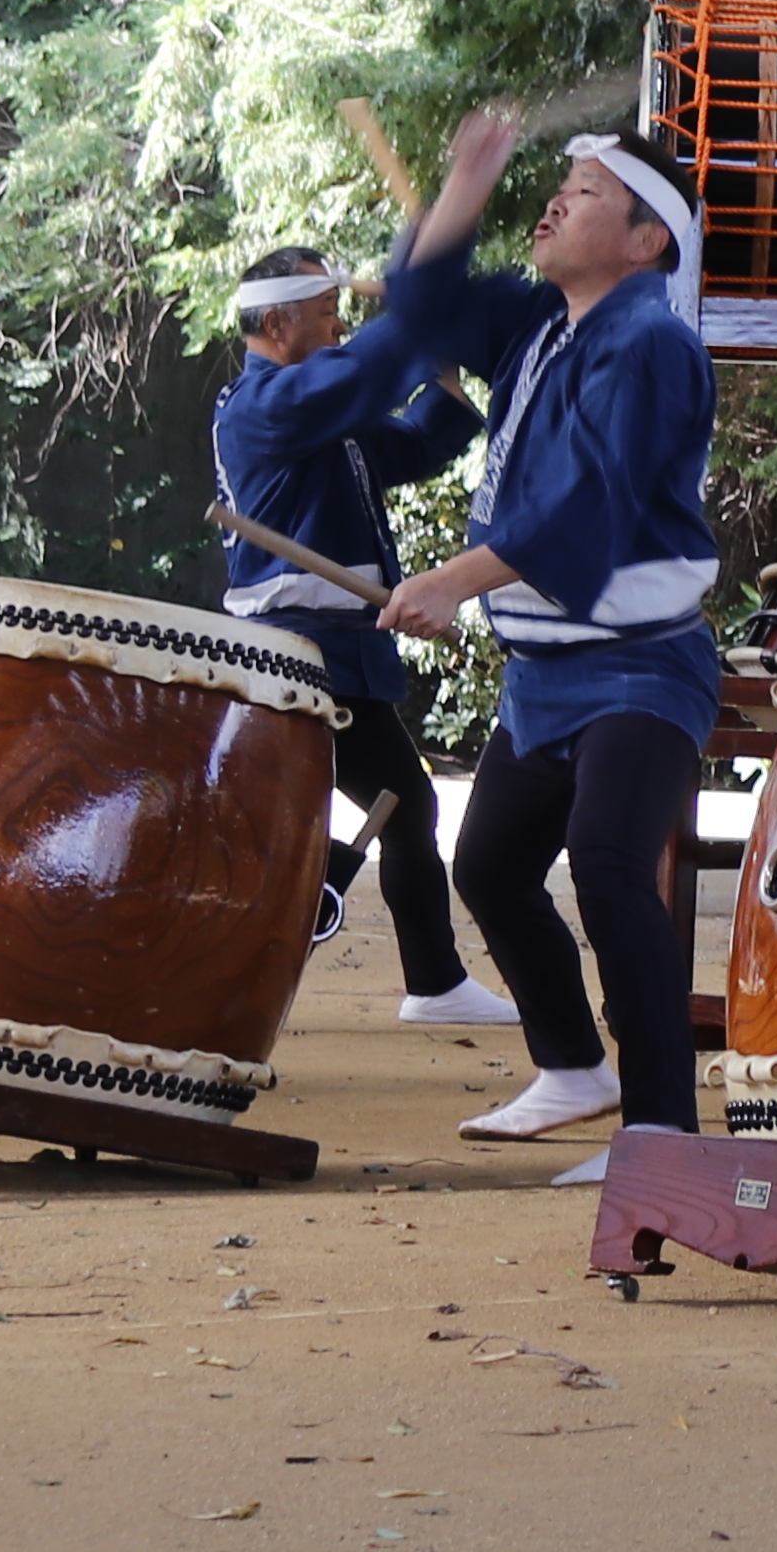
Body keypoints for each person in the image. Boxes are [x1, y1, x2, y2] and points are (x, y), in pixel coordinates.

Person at [377, 112, 722, 1192]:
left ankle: (663, 1128)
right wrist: (461, 193)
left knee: (613, 862)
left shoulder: (653, 340)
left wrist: (451, 579)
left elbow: (593, 508)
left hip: (640, 663)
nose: (558, 200)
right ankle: (574, 1067)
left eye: (584, 190)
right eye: (560, 185)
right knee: (486, 865)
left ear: (646, 240)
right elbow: (420, 307)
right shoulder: (543, 323)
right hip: (545, 672)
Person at [210, 245, 493, 1026]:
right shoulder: (263, 406)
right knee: (357, 812)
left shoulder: (314, 410)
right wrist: (416, 316)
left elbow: (413, 445)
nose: (339, 326)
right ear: (277, 321)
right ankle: (421, 980)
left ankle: (430, 982)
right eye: (327, 313)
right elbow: (356, 378)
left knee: (395, 807)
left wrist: (440, 372)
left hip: (331, 650)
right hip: (295, 650)